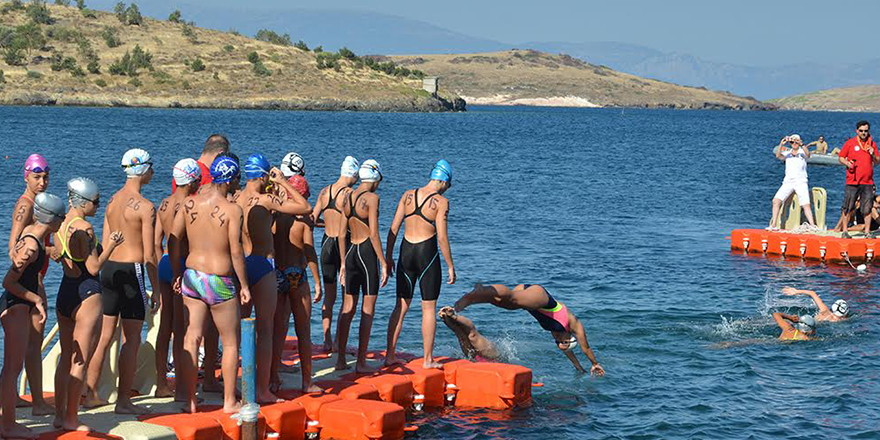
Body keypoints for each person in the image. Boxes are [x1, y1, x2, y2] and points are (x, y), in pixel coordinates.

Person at [169, 155, 250, 414]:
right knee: (229, 342)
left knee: (192, 337)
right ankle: (228, 401)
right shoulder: (232, 210)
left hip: (192, 276)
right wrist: (245, 285)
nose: (240, 182)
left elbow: (173, 240)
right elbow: (236, 251)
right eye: (238, 178)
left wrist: (176, 272)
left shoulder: (190, 203)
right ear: (231, 178)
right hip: (219, 279)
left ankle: (191, 400)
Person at [84, 148, 160, 414]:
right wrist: (157, 290)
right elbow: (150, 253)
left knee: (104, 337)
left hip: (108, 270)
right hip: (132, 272)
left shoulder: (113, 200)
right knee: (132, 339)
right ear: (142, 169)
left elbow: (105, 242)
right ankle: (124, 400)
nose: (153, 171)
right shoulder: (147, 207)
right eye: (151, 166)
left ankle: (91, 393)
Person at [234, 153, 311, 403]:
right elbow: (304, 207)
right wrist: (284, 182)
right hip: (263, 263)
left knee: (242, 329)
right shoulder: (265, 200)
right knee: (265, 329)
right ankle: (262, 389)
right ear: (265, 174)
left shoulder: (236, 199)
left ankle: (243, 384)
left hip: (241, 265)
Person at [53, 178, 124, 432]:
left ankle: (59, 416)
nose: (98, 206)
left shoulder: (60, 225)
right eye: (96, 202)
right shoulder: (85, 228)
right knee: (79, 361)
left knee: (65, 358)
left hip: (65, 292)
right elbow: (94, 267)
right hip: (87, 293)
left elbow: (56, 254)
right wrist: (112, 246)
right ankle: (72, 418)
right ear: (84, 202)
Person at [1, 193, 65, 439]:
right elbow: (9, 281)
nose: (61, 223)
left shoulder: (33, 234)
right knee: (12, 369)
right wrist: (36, 298)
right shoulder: (30, 246)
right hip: (14, 307)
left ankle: (7, 422)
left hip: (19, 306)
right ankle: (7, 426)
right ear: (52, 219)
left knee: (12, 367)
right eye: (60, 218)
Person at [384, 160, 456, 369]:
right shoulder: (442, 202)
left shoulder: (407, 195)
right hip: (427, 254)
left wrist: (388, 258)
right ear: (444, 182)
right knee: (428, 308)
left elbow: (394, 228)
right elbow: (442, 237)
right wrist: (450, 265)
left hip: (406, 252)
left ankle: (390, 355)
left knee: (401, 305)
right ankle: (427, 360)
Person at [454, 283, 605, 376]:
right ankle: (480, 292)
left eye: (558, 343)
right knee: (512, 299)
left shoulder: (561, 335)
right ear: (570, 337)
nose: (558, 340)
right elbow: (586, 348)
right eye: (562, 341)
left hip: (530, 301)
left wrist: (578, 367)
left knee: (506, 304)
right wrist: (594, 363)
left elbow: (567, 351)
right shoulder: (574, 325)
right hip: (542, 298)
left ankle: (478, 295)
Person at [6, 153, 54, 414]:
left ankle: (15, 397)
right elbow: (14, 246)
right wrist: (45, 254)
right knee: (31, 345)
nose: (42, 182)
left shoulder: (39, 205)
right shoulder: (25, 206)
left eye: (46, 177)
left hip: (36, 279)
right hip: (30, 282)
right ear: (26, 176)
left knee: (27, 344)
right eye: (37, 177)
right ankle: (37, 403)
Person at [153, 158, 201, 399]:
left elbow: (156, 243)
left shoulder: (163, 204)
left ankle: (161, 383)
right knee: (182, 330)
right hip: (180, 266)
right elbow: (182, 239)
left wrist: (162, 270)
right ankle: (183, 387)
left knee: (165, 326)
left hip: (163, 264)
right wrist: (178, 272)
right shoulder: (191, 204)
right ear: (191, 180)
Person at [335, 159, 388, 373]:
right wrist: (383, 262)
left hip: (349, 254)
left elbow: (340, 234)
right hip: (366, 254)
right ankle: (361, 362)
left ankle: (340, 359)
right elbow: (374, 233)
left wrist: (342, 264)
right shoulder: (372, 198)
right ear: (375, 178)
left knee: (348, 309)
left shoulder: (348, 196)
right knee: (367, 310)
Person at [271, 174, 322, 393]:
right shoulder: (303, 220)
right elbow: (309, 251)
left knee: (276, 328)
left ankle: (273, 379)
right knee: (303, 330)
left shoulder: (274, 216)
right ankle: (307, 381)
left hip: (277, 273)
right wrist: (318, 281)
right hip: (296, 274)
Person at [312, 156, 359, 352]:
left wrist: (327, 223)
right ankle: (340, 342)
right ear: (354, 174)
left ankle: (327, 341)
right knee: (346, 297)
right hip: (343, 246)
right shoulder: (349, 194)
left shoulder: (325, 191)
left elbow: (313, 219)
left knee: (329, 297)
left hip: (325, 245)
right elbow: (353, 224)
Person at [836, 121, 879, 238]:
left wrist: (873, 154)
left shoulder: (872, 144)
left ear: (868, 131)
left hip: (867, 182)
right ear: (857, 131)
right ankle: (845, 231)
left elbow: (877, 162)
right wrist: (847, 163)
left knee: (867, 208)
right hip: (852, 181)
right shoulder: (850, 143)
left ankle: (867, 232)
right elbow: (840, 157)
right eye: (861, 131)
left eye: (866, 131)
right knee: (848, 206)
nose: (863, 133)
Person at [768, 135, 816, 230]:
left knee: (805, 204)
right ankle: (773, 224)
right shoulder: (787, 153)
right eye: (792, 142)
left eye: (795, 142)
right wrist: (782, 144)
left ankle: (812, 225)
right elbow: (778, 156)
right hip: (788, 181)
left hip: (800, 181)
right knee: (776, 201)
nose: (794, 144)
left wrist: (801, 143)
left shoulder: (802, 152)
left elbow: (808, 154)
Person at [781, 287, 849, 322]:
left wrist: (796, 291)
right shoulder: (837, 320)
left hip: (805, 320)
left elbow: (812, 293)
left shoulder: (824, 309)